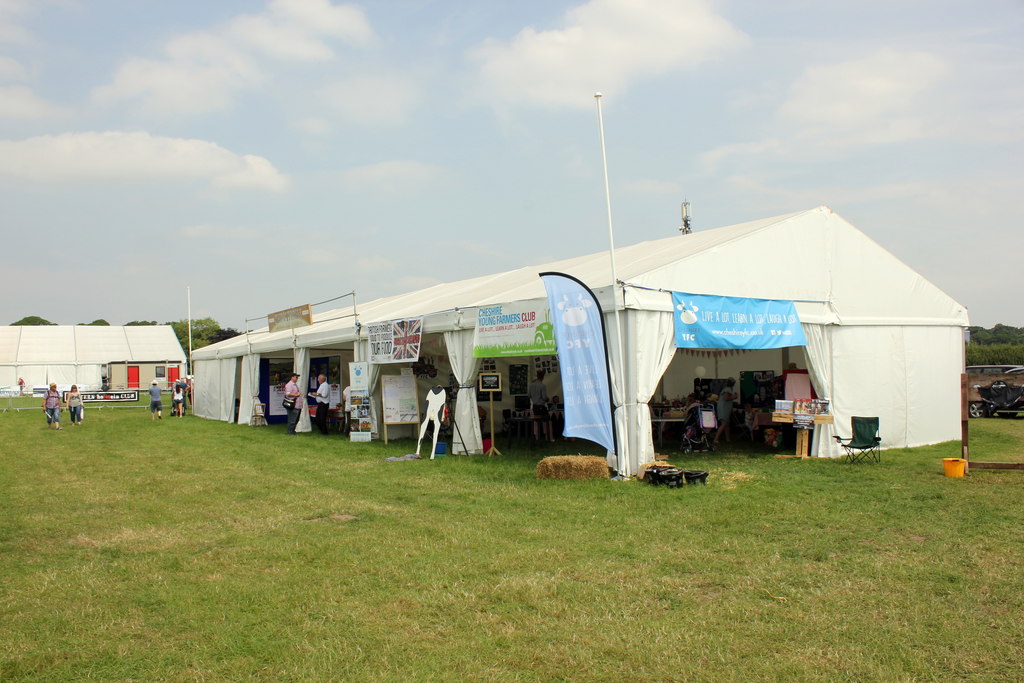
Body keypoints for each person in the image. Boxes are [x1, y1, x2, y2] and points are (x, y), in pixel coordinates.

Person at [529, 370, 554, 442]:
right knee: (548, 421)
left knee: (536, 422)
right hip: (541, 406)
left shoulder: (531, 385)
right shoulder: (542, 386)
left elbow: (529, 395)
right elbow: (544, 397)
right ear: (543, 377)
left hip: (534, 407)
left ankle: (537, 438)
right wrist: (547, 399)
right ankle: (549, 437)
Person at [714, 378, 737, 444]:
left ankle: (728, 439)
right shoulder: (727, 389)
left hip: (724, 408)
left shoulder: (726, 389)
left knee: (727, 424)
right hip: (723, 408)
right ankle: (716, 439)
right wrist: (734, 397)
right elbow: (726, 398)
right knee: (724, 424)